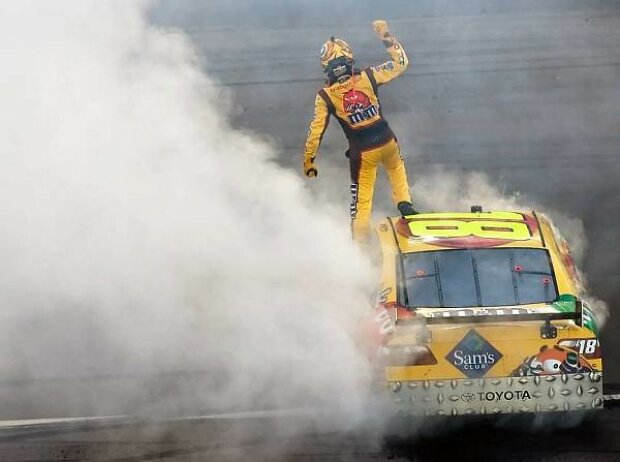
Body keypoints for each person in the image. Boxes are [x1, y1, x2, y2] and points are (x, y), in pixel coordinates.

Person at [303, 20, 418, 244]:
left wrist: (309, 160)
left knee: (362, 204)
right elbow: (401, 63)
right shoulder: (368, 76)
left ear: (326, 67)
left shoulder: (325, 95)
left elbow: (316, 131)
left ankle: (360, 246)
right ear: (349, 59)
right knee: (396, 167)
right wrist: (386, 35)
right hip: (387, 141)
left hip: (363, 155)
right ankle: (404, 202)